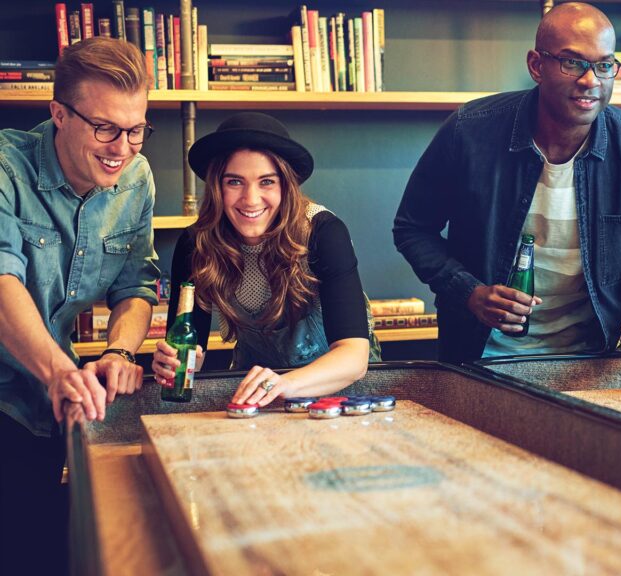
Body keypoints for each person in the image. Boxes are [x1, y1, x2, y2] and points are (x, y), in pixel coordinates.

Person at [393, 2, 621, 385]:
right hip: (478, 360)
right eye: (572, 62)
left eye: (604, 65)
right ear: (535, 65)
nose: (591, 80)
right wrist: (469, 292)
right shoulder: (470, 130)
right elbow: (413, 228)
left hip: (589, 365)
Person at [0, 37, 158, 573]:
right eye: (105, 128)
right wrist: (61, 372)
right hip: (15, 392)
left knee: (43, 550)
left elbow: (136, 284)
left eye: (135, 129)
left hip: (49, 404)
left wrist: (118, 353)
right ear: (58, 115)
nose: (123, 146)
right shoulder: (5, 168)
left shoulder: (135, 179)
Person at [151, 112, 377, 407]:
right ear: (216, 187)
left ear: (286, 185)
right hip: (257, 398)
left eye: (266, 182)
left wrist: (284, 384)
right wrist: (176, 362)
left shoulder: (323, 233)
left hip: (338, 394)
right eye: (234, 182)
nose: (251, 199)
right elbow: (190, 347)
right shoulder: (195, 244)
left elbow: (354, 357)